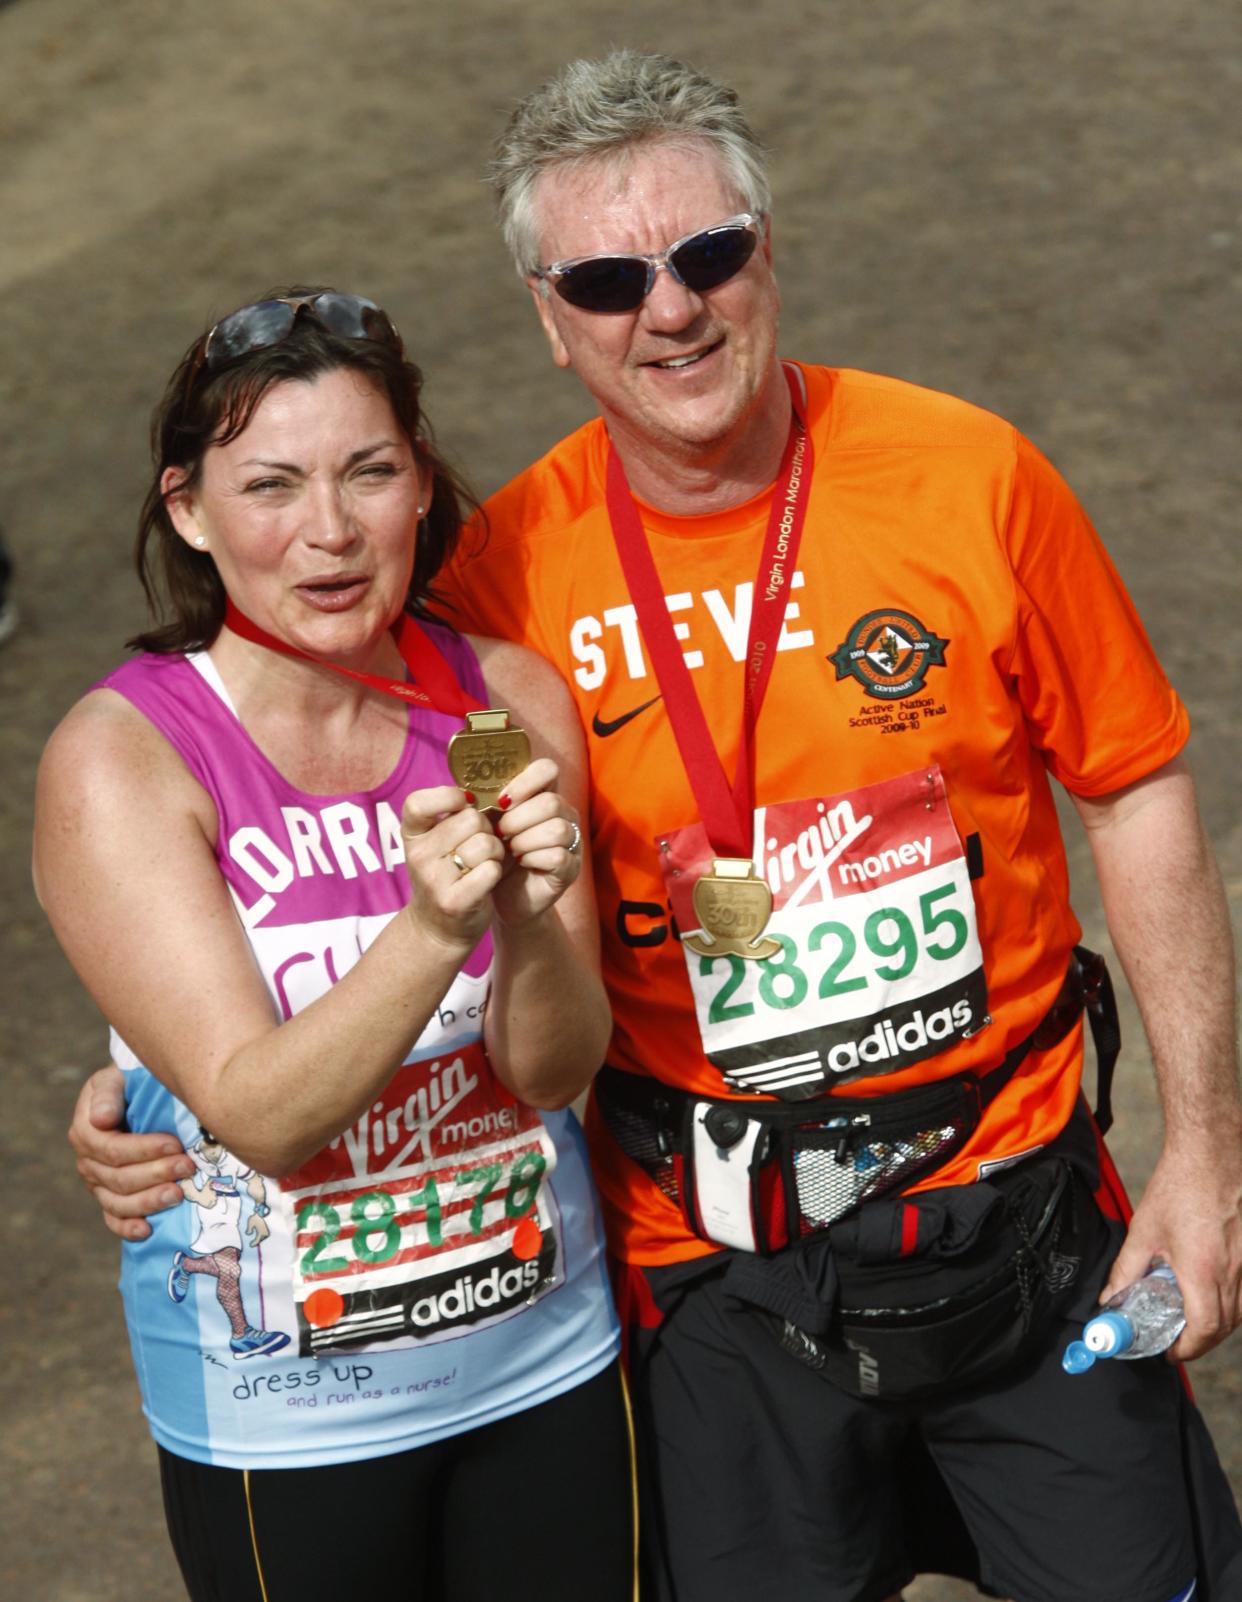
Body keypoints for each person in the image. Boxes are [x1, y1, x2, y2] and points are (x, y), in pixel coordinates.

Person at [70, 52, 1242, 1602]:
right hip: (711, 1278)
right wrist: (152, 1076)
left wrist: (1205, 1154)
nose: (669, 309)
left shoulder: (972, 479)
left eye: (706, 256)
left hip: (1014, 1205)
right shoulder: (494, 593)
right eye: (612, 277)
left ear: (767, 254)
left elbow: (1136, 784)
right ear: (554, 323)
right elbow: (343, 815)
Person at [37, 288, 635, 1602]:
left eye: (370, 472)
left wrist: (529, 915)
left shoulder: (505, 697)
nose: (329, 530)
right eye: (272, 485)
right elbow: (262, 1114)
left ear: (422, 483)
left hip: (543, 1366)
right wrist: (433, 928)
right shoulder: (125, 758)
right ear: (187, 507)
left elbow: (551, 1073)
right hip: (284, 1420)